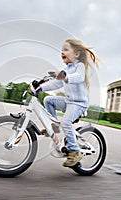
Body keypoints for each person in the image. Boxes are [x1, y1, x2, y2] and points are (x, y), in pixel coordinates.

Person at [39, 38, 98, 167]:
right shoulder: (66, 69)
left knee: (66, 122)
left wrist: (65, 77)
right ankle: (55, 125)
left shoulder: (79, 66)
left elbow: (78, 78)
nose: (62, 52)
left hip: (78, 104)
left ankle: (75, 152)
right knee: (48, 100)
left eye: (66, 49)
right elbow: (56, 83)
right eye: (61, 50)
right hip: (68, 102)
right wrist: (41, 88)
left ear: (76, 54)